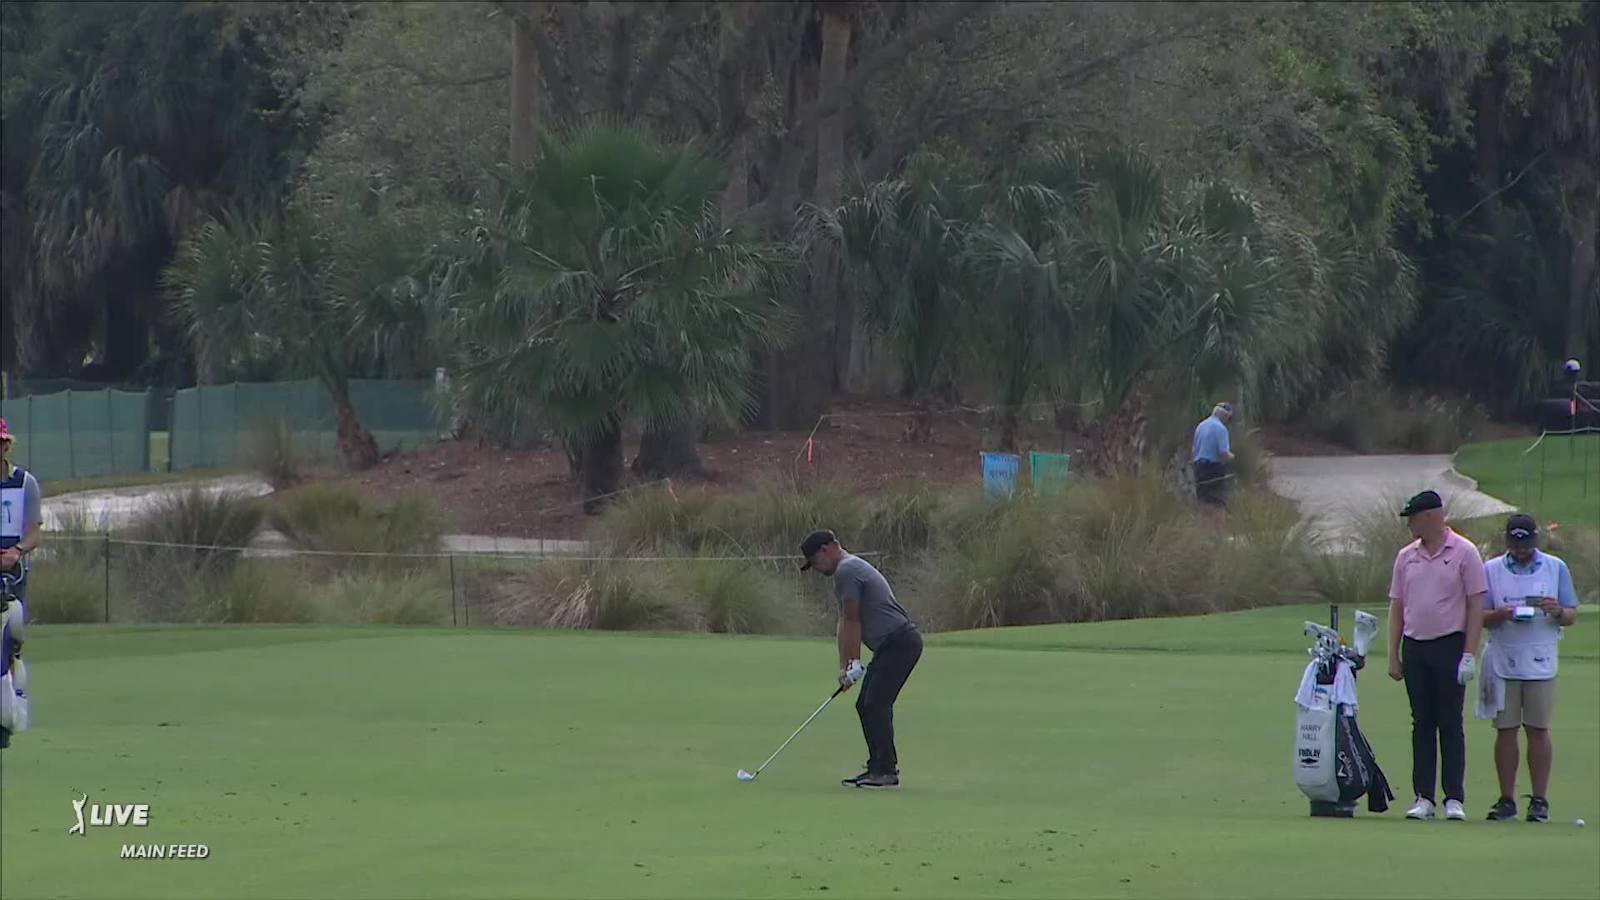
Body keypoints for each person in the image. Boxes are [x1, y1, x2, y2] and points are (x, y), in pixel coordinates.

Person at [1386, 489, 1486, 822]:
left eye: (1412, 518)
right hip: (1415, 647)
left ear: (1430, 516)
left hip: (1450, 645)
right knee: (1422, 723)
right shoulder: (1406, 556)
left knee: (1450, 722)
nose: (1409, 525)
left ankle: (1453, 798)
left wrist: (1469, 654)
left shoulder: (1465, 552)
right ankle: (1423, 797)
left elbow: (1475, 606)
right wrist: (1392, 655)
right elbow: (1397, 606)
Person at [799, 529, 922, 790]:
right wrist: (845, 666)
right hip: (892, 645)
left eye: (816, 561)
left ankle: (886, 772)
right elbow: (844, 622)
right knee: (866, 704)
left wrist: (855, 661)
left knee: (875, 704)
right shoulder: (844, 574)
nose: (817, 568)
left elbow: (854, 619)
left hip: (900, 642)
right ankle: (878, 767)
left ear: (828, 549)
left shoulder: (847, 570)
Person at [1477, 514, 1580, 823]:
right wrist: (1502, 614)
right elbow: (1480, 615)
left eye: (1526, 544)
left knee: (1537, 729)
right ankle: (1507, 799)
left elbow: (1571, 613)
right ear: (1508, 541)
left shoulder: (1555, 567)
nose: (1521, 550)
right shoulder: (1491, 569)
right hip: (1503, 658)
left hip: (1540, 659)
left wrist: (1557, 611)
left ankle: (1539, 800)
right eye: (1515, 544)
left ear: (1535, 540)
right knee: (1505, 730)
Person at [0, 416, 43, 750]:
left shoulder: (24, 482)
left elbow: (33, 531)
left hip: (11, 575)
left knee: (12, 639)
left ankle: (10, 713)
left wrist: (16, 551)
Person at [1191, 402, 1235, 520]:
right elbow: (1223, 454)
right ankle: (1218, 535)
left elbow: (1194, 450)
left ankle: (1203, 533)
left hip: (1198, 469)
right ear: (1225, 416)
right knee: (1218, 503)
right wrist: (1233, 458)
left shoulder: (1200, 426)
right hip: (1214, 469)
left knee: (1203, 502)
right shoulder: (1221, 429)